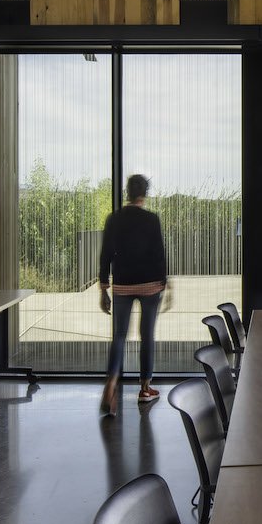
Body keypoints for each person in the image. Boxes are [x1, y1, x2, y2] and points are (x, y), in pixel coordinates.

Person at [98, 174, 168, 417]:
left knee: (119, 336)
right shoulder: (151, 220)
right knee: (147, 335)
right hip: (150, 285)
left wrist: (103, 288)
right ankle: (145, 389)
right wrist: (164, 283)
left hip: (122, 285)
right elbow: (159, 253)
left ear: (127, 192)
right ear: (144, 194)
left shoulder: (114, 219)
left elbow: (106, 253)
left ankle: (111, 383)